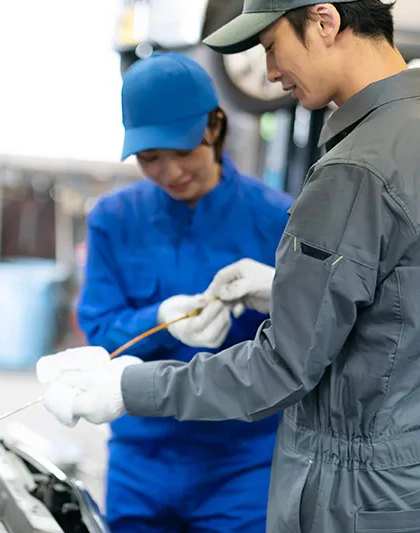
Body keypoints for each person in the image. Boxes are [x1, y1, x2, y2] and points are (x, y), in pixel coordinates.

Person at [36, 1, 420, 532]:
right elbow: (396, 304)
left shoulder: (352, 169)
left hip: (335, 487)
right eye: (150, 158)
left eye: (271, 46)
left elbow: (283, 366)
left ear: (324, 20)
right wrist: (283, 290)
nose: (269, 72)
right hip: (402, 480)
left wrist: (126, 388)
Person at [45, 52, 294, 532]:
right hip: (142, 459)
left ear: (214, 128)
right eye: (150, 158)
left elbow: (302, 345)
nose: (170, 172)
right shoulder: (115, 221)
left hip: (243, 462)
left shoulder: (277, 220)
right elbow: (99, 337)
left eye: (182, 151)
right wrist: (158, 317)